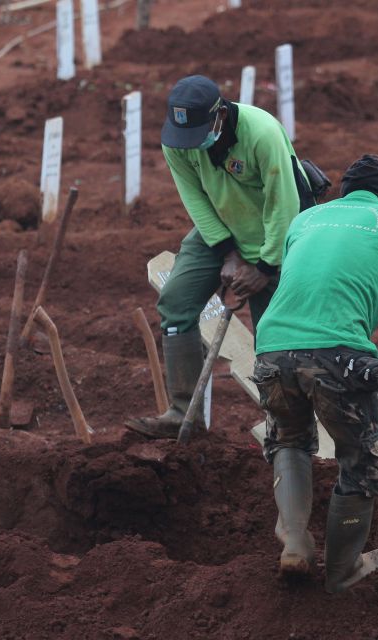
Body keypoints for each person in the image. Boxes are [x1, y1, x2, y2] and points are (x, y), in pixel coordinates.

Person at [252, 154, 378, 592]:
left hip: (272, 345)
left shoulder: (306, 219)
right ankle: (342, 569)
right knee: (363, 461)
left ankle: (295, 541)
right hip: (339, 355)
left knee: (288, 439)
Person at [126, 74, 313, 439]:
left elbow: (283, 205)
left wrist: (264, 267)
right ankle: (184, 414)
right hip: (221, 228)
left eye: (199, 134)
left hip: (278, 234)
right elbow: (195, 198)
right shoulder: (176, 141)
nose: (191, 145)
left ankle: (286, 429)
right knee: (176, 301)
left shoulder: (262, 133)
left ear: (220, 117)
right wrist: (227, 254)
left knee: (273, 334)